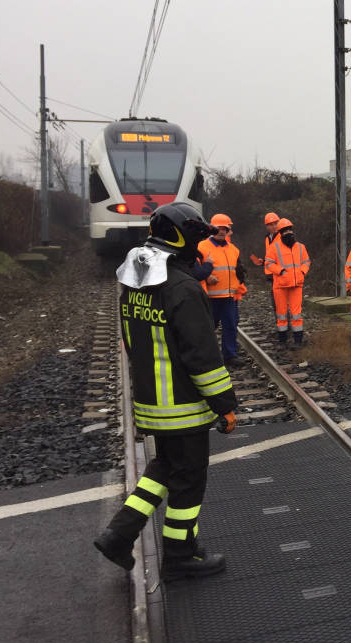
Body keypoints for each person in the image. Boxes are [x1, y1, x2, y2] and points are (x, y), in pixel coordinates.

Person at [94, 202, 238, 582]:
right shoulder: (184, 288)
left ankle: (118, 535)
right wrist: (225, 405)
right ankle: (180, 554)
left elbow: (129, 341)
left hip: (151, 402)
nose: (201, 246)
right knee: (189, 478)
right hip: (183, 405)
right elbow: (202, 357)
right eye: (197, 238)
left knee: (165, 467)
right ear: (185, 238)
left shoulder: (136, 279)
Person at [197, 213, 246, 368]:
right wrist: (207, 277)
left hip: (229, 297)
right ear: (212, 228)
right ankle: (206, 357)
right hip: (209, 298)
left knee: (231, 326)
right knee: (208, 328)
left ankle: (230, 356)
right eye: (218, 228)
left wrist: (240, 288)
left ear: (228, 230)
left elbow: (238, 271)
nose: (221, 231)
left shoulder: (234, 250)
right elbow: (194, 269)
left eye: (224, 228)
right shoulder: (201, 247)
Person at [265, 217, 311, 347]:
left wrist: (302, 272)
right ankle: (283, 340)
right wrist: (281, 271)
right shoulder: (274, 247)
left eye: (290, 229)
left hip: (296, 285)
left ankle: (298, 341)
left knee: (296, 314)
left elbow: (306, 261)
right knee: (281, 314)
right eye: (285, 230)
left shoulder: (301, 247)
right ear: (280, 232)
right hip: (280, 285)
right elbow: (268, 263)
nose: (288, 232)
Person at [251, 211, 281, 314]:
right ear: (266, 226)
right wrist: (263, 261)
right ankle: (281, 326)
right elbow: (271, 256)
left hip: (280, 273)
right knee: (275, 302)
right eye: (271, 224)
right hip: (271, 274)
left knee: (280, 302)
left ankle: (284, 327)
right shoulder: (267, 238)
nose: (274, 226)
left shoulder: (283, 237)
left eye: (275, 223)